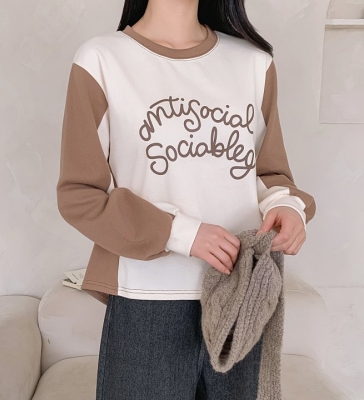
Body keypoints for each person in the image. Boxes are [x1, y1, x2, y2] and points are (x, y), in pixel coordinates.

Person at [56, 0, 317, 398]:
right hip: (146, 300)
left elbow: (270, 175)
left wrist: (287, 206)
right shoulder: (101, 60)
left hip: (242, 294)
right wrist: (182, 233)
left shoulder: (254, 63)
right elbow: (80, 195)